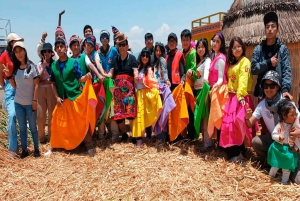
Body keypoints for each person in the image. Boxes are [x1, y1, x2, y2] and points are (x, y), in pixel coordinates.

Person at [245, 70, 300, 183]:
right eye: (266, 85)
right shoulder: (262, 105)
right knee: (256, 141)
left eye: (272, 85)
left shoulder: (287, 103)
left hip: (292, 144)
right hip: (276, 141)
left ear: (278, 87)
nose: (268, 89)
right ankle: (271, 163)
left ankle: (287, 165)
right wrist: (247, 117)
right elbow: (250, 123)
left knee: (297, 180)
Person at [49, 38, 96, 156]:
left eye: (61, 46)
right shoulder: (54, 65)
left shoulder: (73, 63)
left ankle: (89, 146)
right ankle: (55, 146)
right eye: (57, 47)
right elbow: (52, 84)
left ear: (65, 48)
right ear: (55, 50)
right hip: (62, 100)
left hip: (74, 97)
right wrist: (56, 97)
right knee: (57, 123)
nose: (59, 49)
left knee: (80, 123)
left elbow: (80, 78)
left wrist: (87, 76)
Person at [251, 11, 293, 135]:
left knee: (281, 125)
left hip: (278, 93)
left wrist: (285, 89)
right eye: (267, 27)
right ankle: (266, 152)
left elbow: (286, 70)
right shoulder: (258, 49)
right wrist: (268, 62)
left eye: (272, 26)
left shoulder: (282, 49)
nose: (270, 29)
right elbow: (254, 68)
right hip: (263, 92)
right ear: (264, 30)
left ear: (277, 29)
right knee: (265, 126)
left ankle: (279, 152)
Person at [220, 37, 258, 161]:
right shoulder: (232, 63)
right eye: (233, 47)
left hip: (240, 98)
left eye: (238, 46)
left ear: (243, 47)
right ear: (230, 50)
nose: (236, 49)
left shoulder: (245, 62)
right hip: (231, 98)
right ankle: (236, 151)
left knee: (238, 125)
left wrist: (241, 97)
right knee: (230, 125)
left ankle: (237, 153)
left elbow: (243, 80)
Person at [3, 41, 40, 159]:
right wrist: (9, 76)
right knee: (23, 128)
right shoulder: (15, 69)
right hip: (18, 103)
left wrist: (34, 102)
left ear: (25, 51)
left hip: (30, 104)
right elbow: (15, 86)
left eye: (20, 51)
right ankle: (24, 150)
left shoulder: (32, 67)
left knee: (33, 128)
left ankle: (36, 149)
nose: (19, 54)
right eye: (16, 52)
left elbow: (37, 86)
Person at [132, 47, 162, 146]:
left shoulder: (150, 69)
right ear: (140, 57)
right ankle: (139, 138)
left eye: (146, 56)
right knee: (139, 116)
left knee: (148, 114)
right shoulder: (138, 68)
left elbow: (153, 81)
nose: (145, 57)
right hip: (139, 94)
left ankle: (148, 136)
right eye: (143, 55)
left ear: (149, 58)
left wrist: (156, 89)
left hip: (147, 94)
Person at [111, 33, 138, 141]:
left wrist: (136, 76)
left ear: (127, 46)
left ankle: (133, 135)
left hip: (129, 92)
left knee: (131, 114)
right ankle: (124, 134)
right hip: (118, 93)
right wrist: (103, 75)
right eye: (120, 45)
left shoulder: (132, 58)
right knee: (119, 116)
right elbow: (111, 73)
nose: (121, 47)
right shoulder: (115, 59)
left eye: (123, 45)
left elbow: (135, 71)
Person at [0, 33, 23, 158]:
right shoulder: (4, 56)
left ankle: (24, 144)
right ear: (11, 43)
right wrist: (5, 88)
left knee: (23, 114)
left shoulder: (19, 55)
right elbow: (0, 74)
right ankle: (13, 149)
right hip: (10, 85)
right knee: (12, 115)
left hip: (21, 85)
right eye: (16, 41)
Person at [268, 99, 299, 184]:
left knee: (287, 168)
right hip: (278, 148)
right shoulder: (280, 125)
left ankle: (284, 182)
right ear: (284, 116)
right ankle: (270, 177)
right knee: (275, 165)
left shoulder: (294, 127)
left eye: (295, 114)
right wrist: (278, 137)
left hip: (288, 150)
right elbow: (273, 135)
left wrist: (295, 148)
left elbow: (295, 140)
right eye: (292, 115)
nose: (295, 117)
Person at [97, 30, 120, 141]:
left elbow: (118, 62)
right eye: (103, 36)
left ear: (109, 38)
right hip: (101, 83)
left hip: (112, 83)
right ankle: (101, 134)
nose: (105, 38)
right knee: (102, 106)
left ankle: (114, 134)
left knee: (112, 108)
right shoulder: (98, 52)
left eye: (106, 36)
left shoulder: (114, 50)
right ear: (100, 39)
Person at [207, 32, 229, 140]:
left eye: (217, 42)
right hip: (215, 89)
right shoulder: (214, 56)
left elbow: (220, 78)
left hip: (220, 91)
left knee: (219, 115)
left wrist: (214, 86)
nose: (214, 43)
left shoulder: (220, 58)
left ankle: (221, 142)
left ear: (221, 44)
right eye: (213, 41)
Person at [193, 38, 212, 148]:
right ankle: (204, 142)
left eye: (202, 47)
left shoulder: (207, 60)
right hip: (197, 91)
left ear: (206, 48)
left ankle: (208, 144)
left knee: (205, 117)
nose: (200, 49)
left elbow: (206, 74)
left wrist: (205, 79)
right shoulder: (196, 62)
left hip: (204, 91)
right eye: (198, 47)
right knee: (200, 116)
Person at [37, 43, 56, 143]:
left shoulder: (55, 64)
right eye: (45, 51)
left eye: (49, 51)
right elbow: (37, 79)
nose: (47, 53)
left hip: (52, 91)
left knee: (52, 115)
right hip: (41, 91)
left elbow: (55, 79)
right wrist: (44, 67)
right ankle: (41, 138)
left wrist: (45, 81)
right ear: (43, 53)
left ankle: (52, 137)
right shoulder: (39, 65)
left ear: (51, 53)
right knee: (40, 115)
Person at [181, 29, 197, 140]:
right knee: (184, 110)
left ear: (190, 40)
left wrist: (191, 72)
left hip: (191, 86)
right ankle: (184, 133)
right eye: (183, 40)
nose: (185, 42)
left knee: (191, 110)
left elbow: (194, 67)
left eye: (187, 40)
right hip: (183, 86)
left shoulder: (193, 53)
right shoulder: (181, 53)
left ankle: (191, 135)